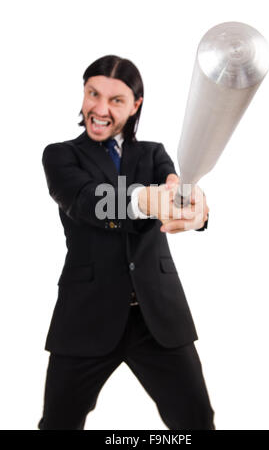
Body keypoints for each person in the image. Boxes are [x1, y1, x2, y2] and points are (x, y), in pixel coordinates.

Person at [38, 55, 215, 430]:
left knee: (196, 420)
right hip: (87, 314)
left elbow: (175, 189)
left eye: (115, 100)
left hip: (158, 316)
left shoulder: (153, 153)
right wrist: (145, 200)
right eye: (92, 94)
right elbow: (86, 200)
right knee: (59, 423)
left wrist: (197, 210)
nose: (99, 109)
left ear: (136, 105)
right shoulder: (61, 155)